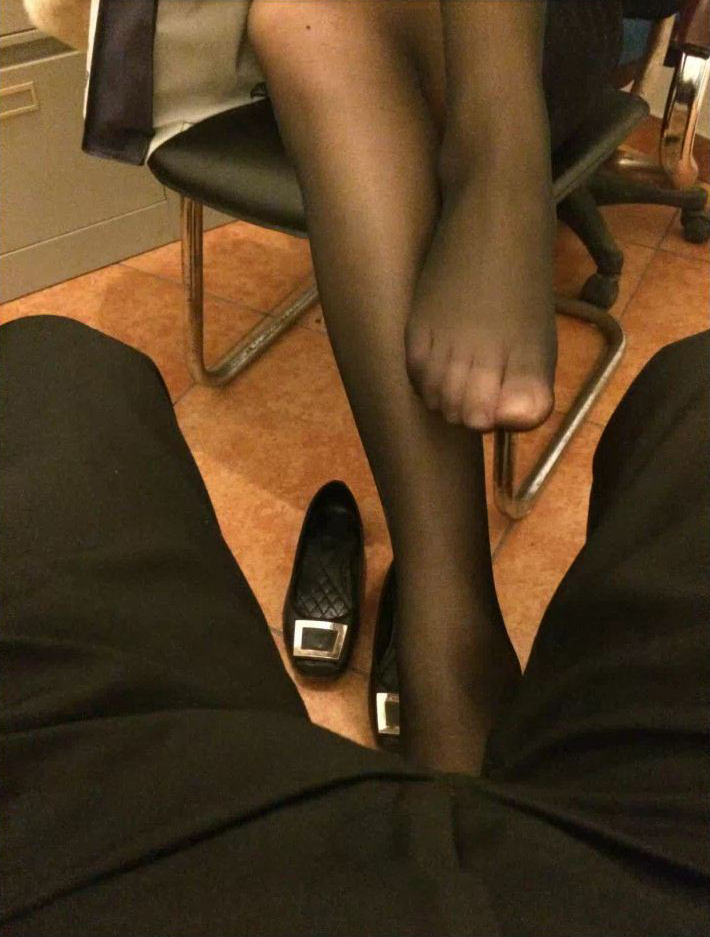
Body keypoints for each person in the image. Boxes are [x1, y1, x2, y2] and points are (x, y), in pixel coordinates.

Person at [1, 313, 708, 935]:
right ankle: (442, 610)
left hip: (119, 867)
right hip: (654, 880)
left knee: (49, 370)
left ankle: (440, 604)